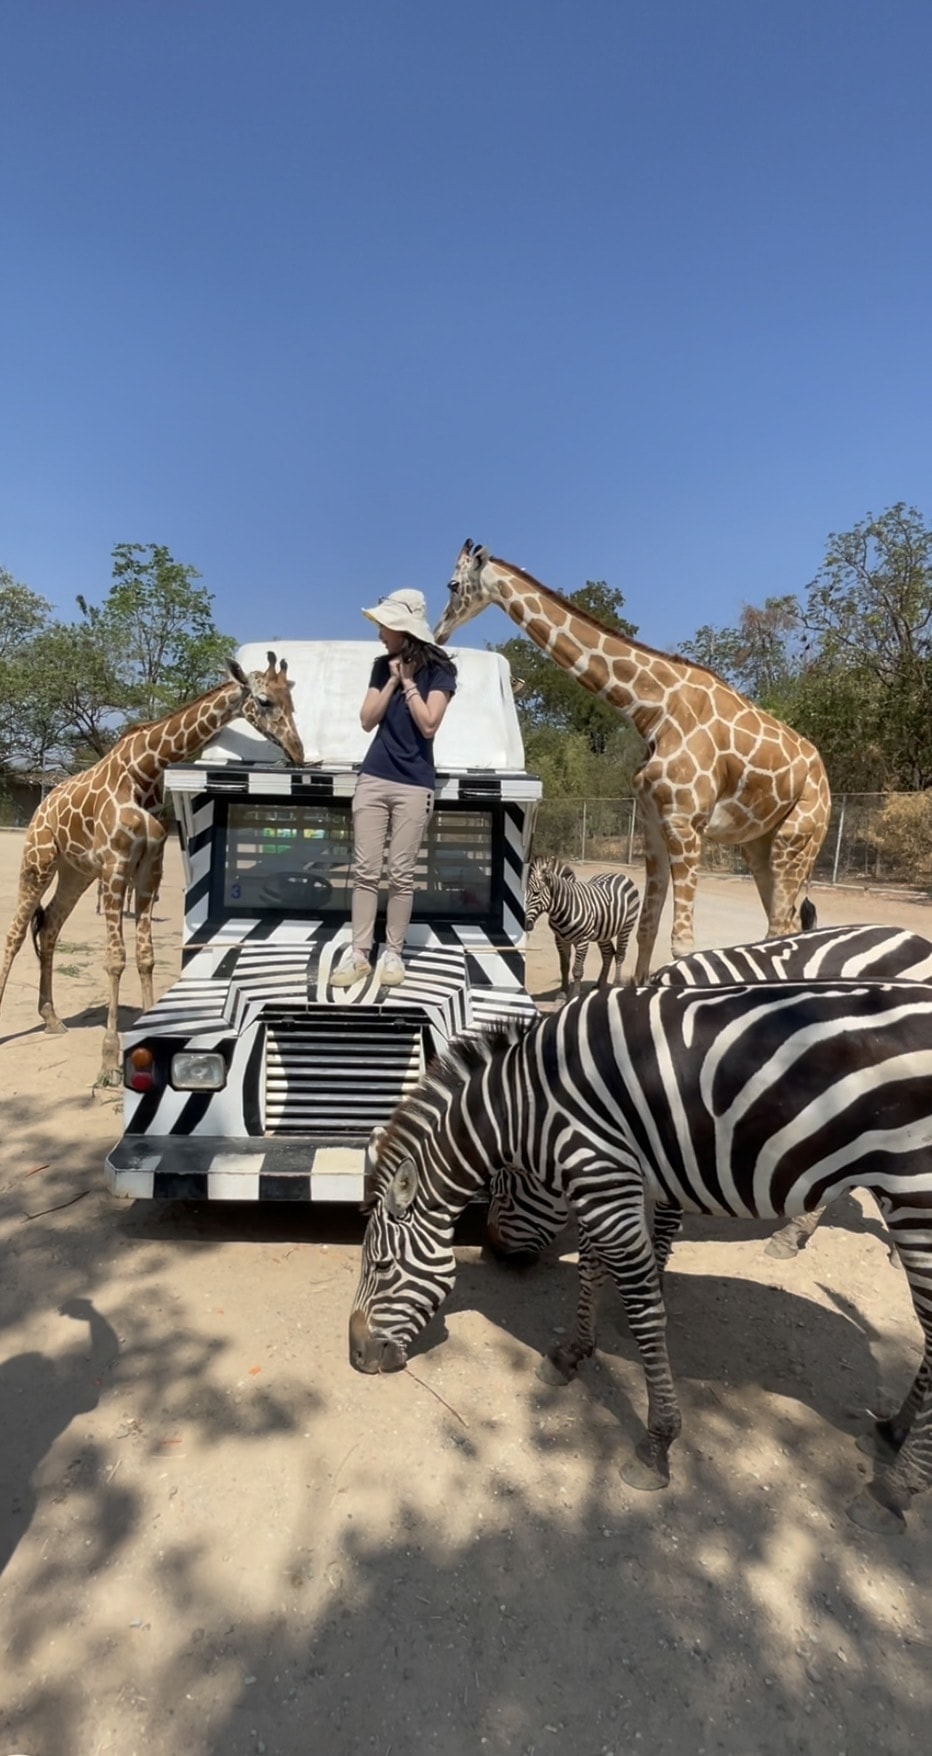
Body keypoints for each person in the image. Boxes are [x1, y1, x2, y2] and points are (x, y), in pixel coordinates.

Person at [332, 588, 458, 987]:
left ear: (404, 630)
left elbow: (428, 723)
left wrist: (408, 684)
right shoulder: (379, 666)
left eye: (385, 627)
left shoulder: (442, 672)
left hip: (414, 783)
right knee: (366, 870)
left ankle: (394, 954)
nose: (380, 634)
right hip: (373, 777)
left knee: (401, 874)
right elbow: (367, 720)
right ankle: (358, 955)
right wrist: (389, 681)